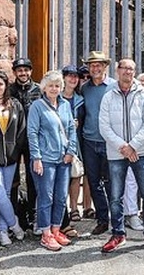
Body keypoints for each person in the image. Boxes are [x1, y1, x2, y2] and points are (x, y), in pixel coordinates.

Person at [98, 59, 144, 253]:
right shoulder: (108, 96)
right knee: (116, 196)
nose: (128, 71)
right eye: (125, 68)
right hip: (117, 153)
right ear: (117, 70)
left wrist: (133, 146)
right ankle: (118, 233)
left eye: (132, 69)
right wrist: (123, 147)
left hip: (141, 152)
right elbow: (104, 126)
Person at [29, 70, 79, 251]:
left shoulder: (65, 105)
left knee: (60, 197)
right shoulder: (37, 106)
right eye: (50, 85)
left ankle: (57, 229)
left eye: (57, 85)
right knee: (46, 197)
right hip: (46, 159)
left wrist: (71, 151)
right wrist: (36, 157)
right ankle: (46, 233)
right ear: (44, 87)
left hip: (63, 159)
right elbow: (32, 133)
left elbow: (72, 130)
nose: (54, 88)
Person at [76, 50, 117, 236]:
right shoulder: (84, 88)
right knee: (93, 182)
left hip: (110, 142)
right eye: (92, 65)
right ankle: (102, 219)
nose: (95, 68)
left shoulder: (114, 87)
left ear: (105, 66)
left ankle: (117, 219)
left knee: (111, 182)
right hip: (90, 141)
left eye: (98, 65)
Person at [0, 70, 27, 246]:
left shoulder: (14, 104)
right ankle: (14, 224)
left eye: (0, 84)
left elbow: (21, 130)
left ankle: (3, 232)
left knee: (7, 193)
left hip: (11, 158)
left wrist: (17, 152)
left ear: (6, 86)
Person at [10, 57, 42, 229]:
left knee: (33, 178)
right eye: (19, 70)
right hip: (14, 141)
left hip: (32, 140)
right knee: (13, 180)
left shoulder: (39, 90)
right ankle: (15, 217)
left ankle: (33, 214)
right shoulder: (9, 90)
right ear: (15, 72)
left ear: (30, 71)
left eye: (26, 70)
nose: (23, 73)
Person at [61, 65, 87, 226]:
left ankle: (74, 208)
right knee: (63, 175)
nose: (73, 79)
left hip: (78, 140)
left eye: (76, 76)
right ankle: (62, 208)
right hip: (59, 141)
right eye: (69, 76)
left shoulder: (80, 99)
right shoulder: (56, 97)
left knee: (76, 173)